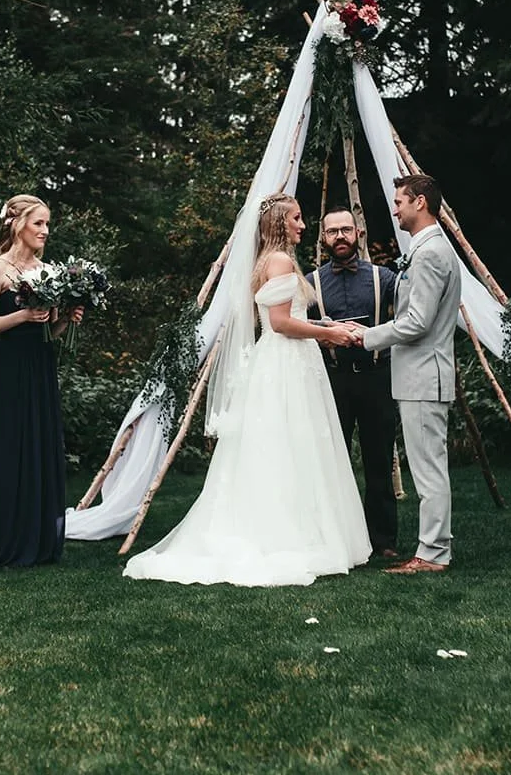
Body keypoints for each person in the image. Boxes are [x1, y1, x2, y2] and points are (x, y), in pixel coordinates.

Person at [125, 193, 370, 586]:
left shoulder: (268, 261)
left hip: (282, 362)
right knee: (292, 445)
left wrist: (319, 327)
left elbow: (286, 318)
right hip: (287, 362)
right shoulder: (281, 261)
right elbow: (281, 323)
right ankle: (294, 535)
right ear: (280, 224)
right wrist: (330, 333)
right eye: (297, 218)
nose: (303, 226)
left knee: (283, 446)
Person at [352, 174, 463, 576]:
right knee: (429, 467)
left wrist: (367, 336)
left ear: (420, 202)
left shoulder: (431, 253)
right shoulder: (427, 249)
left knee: (428, 469)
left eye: (400, 201)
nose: (394, 208)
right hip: (421, 375)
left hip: (424, 376)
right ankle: (434, 547)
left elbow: (417, 322)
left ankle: (433, 554)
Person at [0, 194, 81, 567]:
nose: (45, 231)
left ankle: (40, 541)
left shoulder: (47, 270)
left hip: (41, 366)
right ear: (17, 224)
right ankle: (6, 541)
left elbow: (49, 328)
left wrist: (67, 318)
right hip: (11, 367)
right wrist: (20, 317)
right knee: (11, 447)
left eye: (47, 224)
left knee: (40, 445)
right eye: (38, 223)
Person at [305, 207, 400, 558]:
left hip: (378, 380)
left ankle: (384, 542)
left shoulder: (384, 278)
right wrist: (325, 336)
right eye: (333, 232)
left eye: (346, 230)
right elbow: (294, 332)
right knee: (333, 463)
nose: (340, 237)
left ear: (358, 233)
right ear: (324, 237)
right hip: (332, 382)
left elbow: (409, 321)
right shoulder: (310, 283)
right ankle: (339, 540)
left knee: (379, 461)